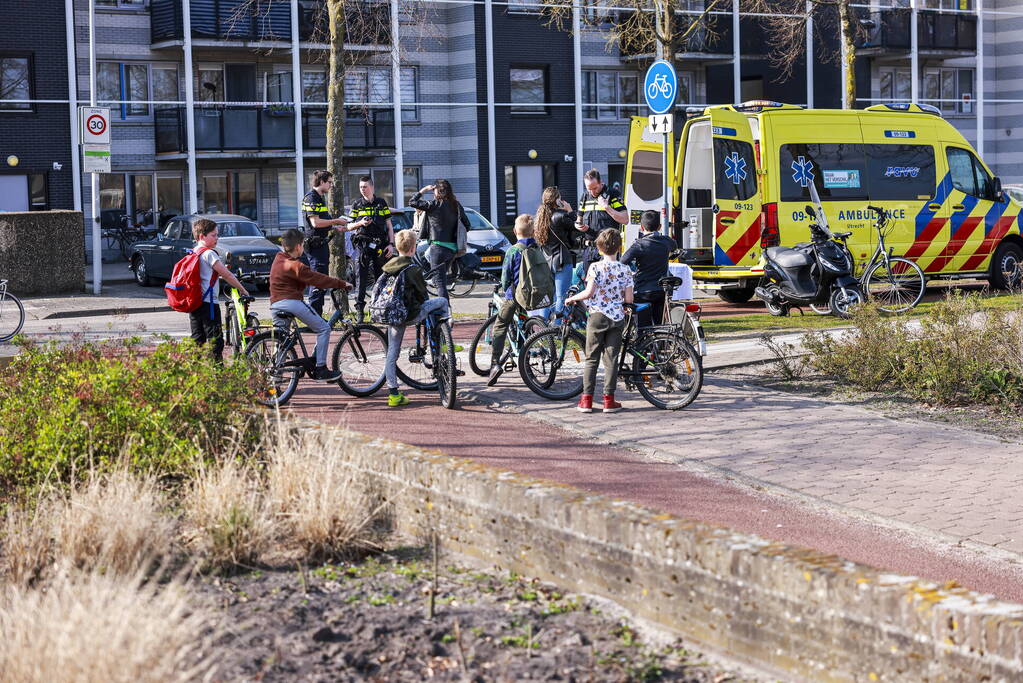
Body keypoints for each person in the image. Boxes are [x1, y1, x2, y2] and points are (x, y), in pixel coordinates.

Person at [564, 228, 634, 414]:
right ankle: (609, 400)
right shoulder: (625, 269)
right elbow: (629, 300)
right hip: (617, 317)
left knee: (591, 358)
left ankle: (586, 400)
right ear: (619, 247)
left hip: (596, 316)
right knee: (611, 359)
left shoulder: (595, 267)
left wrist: (572, 299)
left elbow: (589, 293)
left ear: (600, 249)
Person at [269, 228, 352, 382]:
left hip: (275, 305)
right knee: (324, 328)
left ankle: (276, 375)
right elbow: (315, 277)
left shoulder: (278, 258)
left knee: (281, 339)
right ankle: (321, 369)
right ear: (299, 246)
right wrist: (341, 283)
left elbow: (291, 279)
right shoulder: (296, 265)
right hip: (291, 302)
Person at [382, 229, 451, 407]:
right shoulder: (412, 268)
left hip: (392, 315)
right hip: (410, 314)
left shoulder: (388, 266)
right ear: (413, 249)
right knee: (442, 301)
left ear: (397, 248)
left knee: (392, 353)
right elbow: (422, 296)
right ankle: (445, 340)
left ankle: (393, 394)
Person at [189, 218, 250, 362]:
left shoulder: (193, 251)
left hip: (194, 301)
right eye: (213, 235)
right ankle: (218, 373)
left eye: (217, 234)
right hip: (209, 303)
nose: (217, 238)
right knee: (215, 340)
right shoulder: (209, 254)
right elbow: (226, 274)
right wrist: (242, 289)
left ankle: (193, 374)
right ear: (202, 236)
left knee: (197, 339)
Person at [487, 214, 537, 386]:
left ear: (515, 231)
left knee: (500, 326)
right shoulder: (537, 248)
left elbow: (505, 277)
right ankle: (526, 359)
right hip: (533, 295)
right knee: (524, 326)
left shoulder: (513, 250)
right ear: (533, 232)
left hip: (515, 296)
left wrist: (504, 287)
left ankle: (495, 364)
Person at [302, 169, 360, 316]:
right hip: (315, 246)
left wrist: (336, 227)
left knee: (320, 281)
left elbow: (322, 222)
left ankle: (317, 317)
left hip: (321, 244)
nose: (330, 186)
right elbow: (315, 223)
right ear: (321, 182)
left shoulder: (319, 198)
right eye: (329, 182)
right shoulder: (311, 198)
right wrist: (336, 221)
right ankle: (314, 319)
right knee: (317, 282)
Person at [408, 179, 471, 299]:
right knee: (440, 281)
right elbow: (467, 225)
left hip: (437, 248)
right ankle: (446, 311)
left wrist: (423, 190)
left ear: (437, 191)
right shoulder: (456, 205)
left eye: (434, 190)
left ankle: (445, 313)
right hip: (452, 250)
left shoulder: (433, 205)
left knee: (440, 283)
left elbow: (412, 202)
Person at [350, 175, 395, 322]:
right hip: (363, 245)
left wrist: (391, 244)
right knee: (360, 278)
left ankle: (378, 309)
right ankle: (360, 313)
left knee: (380, 278)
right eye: (360, 187)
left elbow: (389, 226)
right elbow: (349, 226)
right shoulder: (356, 204)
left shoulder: (381, 203)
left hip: (380, 245)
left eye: (365, 187)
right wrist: (360, 223)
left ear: (372, 187)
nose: (362, 189)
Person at [621, 209, 676, 327]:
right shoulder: (666, 241)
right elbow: (674, 247)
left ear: (641, 227)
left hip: (643, 291)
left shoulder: (639, 245)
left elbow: (622, 262)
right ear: (660, 226)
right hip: (661, 290)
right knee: (659, 325)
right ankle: (660, 343)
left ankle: (644, 343)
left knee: (643, 326)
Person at [574, 168, 629, 283]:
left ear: (601, 182)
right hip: (589, 249)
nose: (592, 192)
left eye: (595, 188)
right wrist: (579, 225)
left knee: (607, 283)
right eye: (589, 189)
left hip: (608, 248)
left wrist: (607, 207)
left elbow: (625, 219)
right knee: (589, 284)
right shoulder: (585, 196)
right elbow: (578, 220)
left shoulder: (613, 194)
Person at [532, 186, 578, 320]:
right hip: (562, 260)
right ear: (556, 200)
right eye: (559, 198)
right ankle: (557, 327)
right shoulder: (560, 216)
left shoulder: (540, 218)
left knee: (547, 297)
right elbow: (578, 226)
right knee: (561, 296)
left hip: (546, 260)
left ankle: (543, 327)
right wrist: (570, 210)